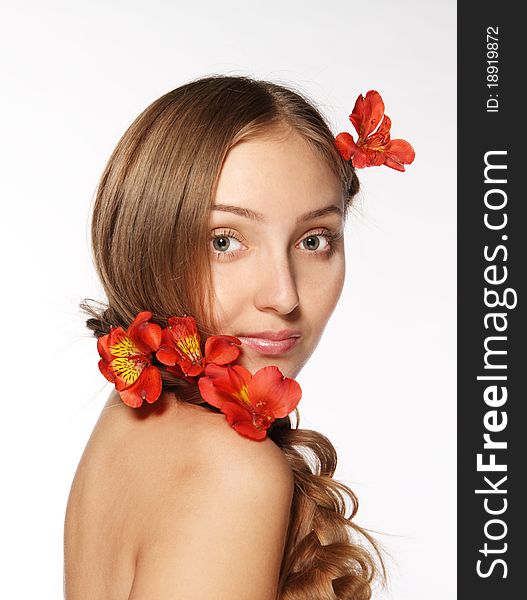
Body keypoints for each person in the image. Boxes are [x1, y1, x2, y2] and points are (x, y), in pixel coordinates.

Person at [63, 74, 392, 599]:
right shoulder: (231, 469)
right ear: (148, 242)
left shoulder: (129, 414)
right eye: (225, 241)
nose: (283, 296)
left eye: (314, 239)